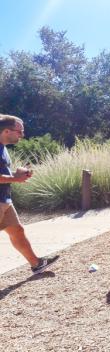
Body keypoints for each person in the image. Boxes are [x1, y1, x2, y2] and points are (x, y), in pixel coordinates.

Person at [0, 115, 59, 273]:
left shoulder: (3, 148)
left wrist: (17, 174)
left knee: (17, 231)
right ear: (6, 131)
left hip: (4, 200)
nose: (22, 135)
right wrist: (15, 178)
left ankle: (37, 264)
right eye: (19, 131)